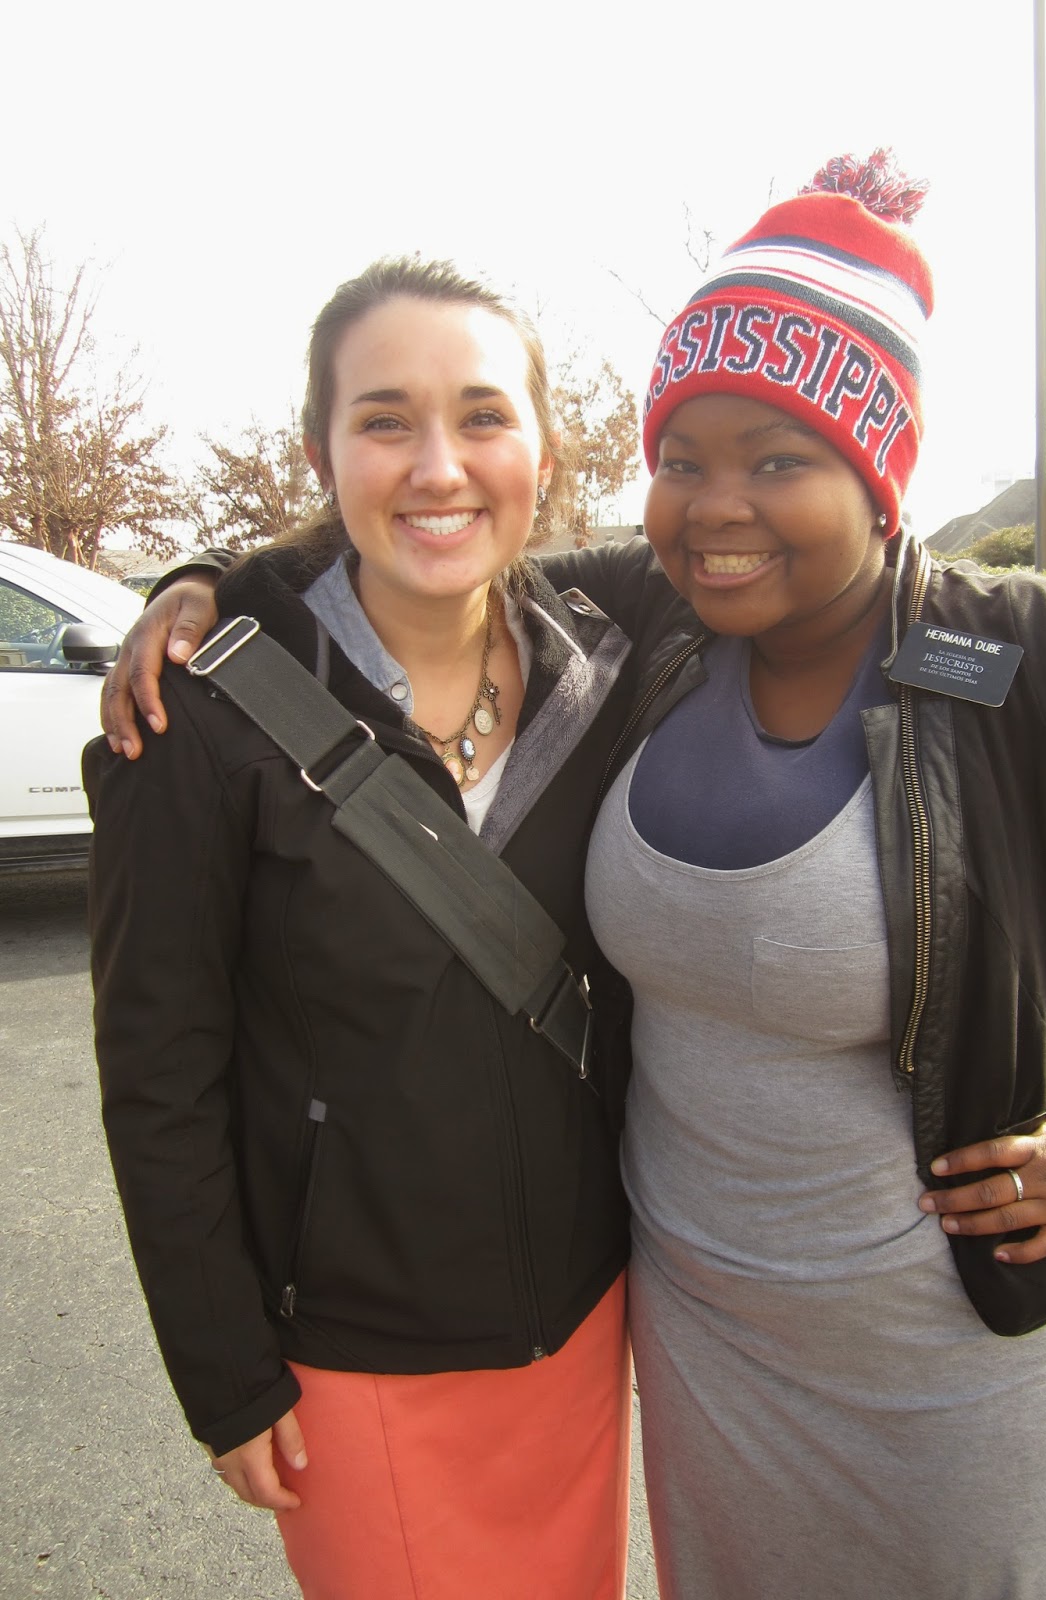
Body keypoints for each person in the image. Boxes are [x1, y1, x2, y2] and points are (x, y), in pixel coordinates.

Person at [101, 154, 1046, 1600]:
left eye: (780, 457)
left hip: (958, 1371)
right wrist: (205, 581)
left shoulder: (1040, 663)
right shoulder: (662, 624)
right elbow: (427, 531)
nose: (718, 506)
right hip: (702, 1357)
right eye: (684, 458)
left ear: (878, 468)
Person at [85, 257, 638, 1600]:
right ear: (319, 452)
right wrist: (223, 1368)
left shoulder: (614, 658)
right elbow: (158, 1072)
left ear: (545, 448)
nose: (439, 466)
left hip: (587, 1329)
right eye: (384, 421)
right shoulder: (203, 723)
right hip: (355, 1361)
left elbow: (790, 542)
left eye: (483, 416)